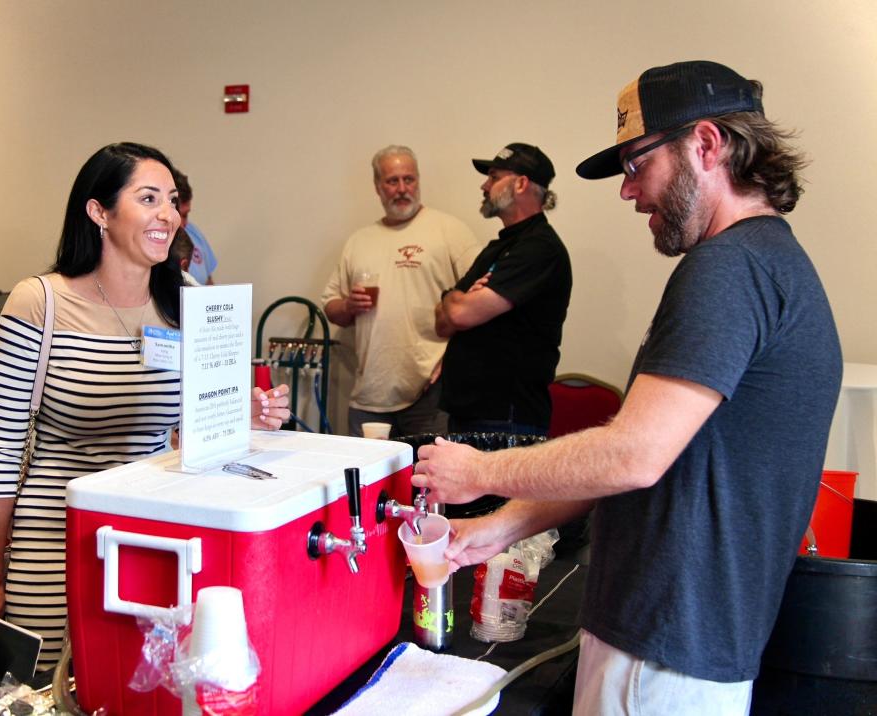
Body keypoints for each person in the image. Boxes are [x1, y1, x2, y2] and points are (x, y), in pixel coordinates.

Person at [413, 61, 841, 714]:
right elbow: (650, 456)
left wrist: (479, 470)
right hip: (690, 644)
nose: (628, 192)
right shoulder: (771, 264)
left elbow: (633, 455)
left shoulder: (728, 270)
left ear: (705, 144)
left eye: (637, 164)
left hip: (661, 649)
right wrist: (500, 525)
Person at [0, 142, 289, 672]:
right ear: (99, 212)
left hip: (152, 536)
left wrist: (241, 412)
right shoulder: (39, 302)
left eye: (173, 200)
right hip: (54, 537)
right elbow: (2, 450)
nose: (169, 215)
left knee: (135, 683)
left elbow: (188, 425)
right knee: (49, 688)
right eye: (149, 198)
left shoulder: (185, 297)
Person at [321, 145, 480, 437]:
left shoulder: (449, 231)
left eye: (410, 179)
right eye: (392, 181)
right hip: (369, 395)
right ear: (378, 187)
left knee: (426, 481)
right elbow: (330, 305)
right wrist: (348, 307)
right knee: (365, 481)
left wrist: (454, 360)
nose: (402, 188)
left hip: (430, 392)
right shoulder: (359, 241)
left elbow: (482, 300)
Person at [435, 143, 571, 435]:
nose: (484, 185)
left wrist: (453, 298)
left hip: (505, 419)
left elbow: (457, 315)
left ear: (521, 183)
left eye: (494, 177)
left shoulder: (540, 248)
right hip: (469, 414)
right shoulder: (497, 248)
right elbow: (441, 324)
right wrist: (457, 300)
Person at [173, 168, 218, 285]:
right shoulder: (153, 245)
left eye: (186, 214)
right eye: (181, 215)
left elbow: (208, 282)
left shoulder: (193, 233)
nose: (185, 223)